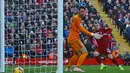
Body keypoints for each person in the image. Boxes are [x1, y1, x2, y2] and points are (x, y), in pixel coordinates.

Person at [65, 6, 103, 72]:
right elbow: (81, 29)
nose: (83, 13)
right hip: (74, 39)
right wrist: (92, 34)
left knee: (78, 54)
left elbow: (78, 28)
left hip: (72, 39)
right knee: (85, 52)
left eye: (83, 11)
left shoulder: (78, 18)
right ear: (78, 11)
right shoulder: (76, 18)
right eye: (81, 11)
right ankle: (77, 67)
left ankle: (68, 68)